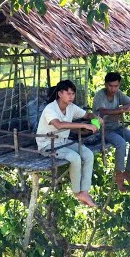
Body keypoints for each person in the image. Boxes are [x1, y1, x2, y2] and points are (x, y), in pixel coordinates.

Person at [36, 80, 104, 208]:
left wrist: (95, 117)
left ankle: (84, 191)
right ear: (60, 94)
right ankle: (77, 192)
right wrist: (84, 124)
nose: (71, 97)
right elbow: (59, 125)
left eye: (73, 94)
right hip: (47, 144)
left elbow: (86, 114)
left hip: (62, 141)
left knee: (88, 154)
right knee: (75, 158)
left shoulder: (71, 107)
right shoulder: (50, 109)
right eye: (68, 94)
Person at [92, 72, 130, 192]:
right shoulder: (100, 95)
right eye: (110, 86)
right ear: (105, 84)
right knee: (121, 143)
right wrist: (120, 110)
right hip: (103, 129)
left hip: (117, 126)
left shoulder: (118, 93)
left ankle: (127, 172)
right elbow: (103, 112)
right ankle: (118, 175)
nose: (113, 89)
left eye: (116, 86)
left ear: (119, 85)